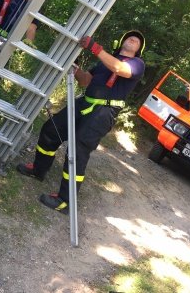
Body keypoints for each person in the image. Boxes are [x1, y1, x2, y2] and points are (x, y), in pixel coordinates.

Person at [16, 30, 146, 214]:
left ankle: (65, 201)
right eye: (130, 37)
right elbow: (86, 80)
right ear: (122, 42)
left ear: (139, 49)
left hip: (103, 112)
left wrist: (94, 47)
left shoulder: (137, 64)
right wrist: (76, 69)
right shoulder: (105, 61)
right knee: (50, 130)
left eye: (137, 41)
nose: (134, 39)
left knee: (77, 151)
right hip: (84, 103)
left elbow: (119, 69)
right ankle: (38, 170)